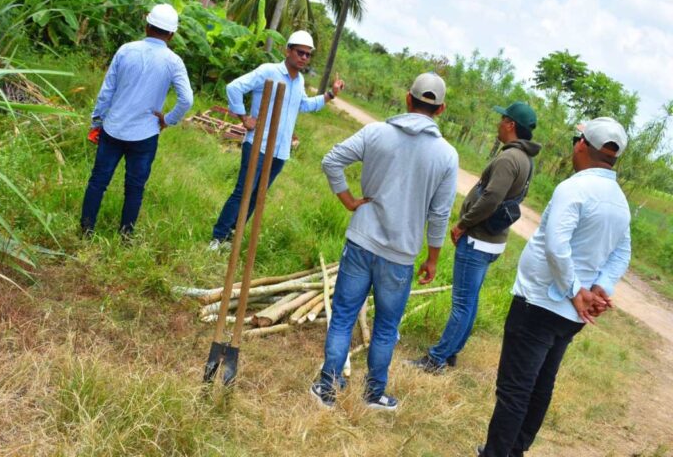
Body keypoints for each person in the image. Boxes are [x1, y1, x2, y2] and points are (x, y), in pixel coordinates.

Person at [478, 117, 631, 457]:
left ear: (582, 145)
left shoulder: (574, 189)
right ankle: (513, 450)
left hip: (540, 304)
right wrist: (599, 287)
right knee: (540, 385)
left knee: (515, 389)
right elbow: (622, 252)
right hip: (569, 315)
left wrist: (576, 291)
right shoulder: (619, 201)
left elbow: (557, 245)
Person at [310, 72, 459, 411]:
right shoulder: (446, 156)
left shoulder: (376, 132)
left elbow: (331, 160)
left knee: (343, 316)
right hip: (400, 254)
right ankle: (374, 393)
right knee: (386, 327)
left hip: (361, 241)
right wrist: (433, 258)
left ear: (408, 98)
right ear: (441, 109)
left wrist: (348, 200)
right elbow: (439, 215)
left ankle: (327, 388)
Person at [408, 101, 540, 373]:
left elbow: (492, 197)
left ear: (511, 125)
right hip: (493, 240)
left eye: (502, 119)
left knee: (461, 303)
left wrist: (463, 224)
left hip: (478, 239)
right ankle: (451, 352)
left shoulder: (508, 159)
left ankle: (437, 359)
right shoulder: (525, 159)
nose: (498, 124)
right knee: (469, 301)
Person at [208, 30, 345, 251]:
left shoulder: (299, 81)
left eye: (308, 54)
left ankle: (232, 235)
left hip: (280, 151)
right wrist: (244, 117)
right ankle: (218, 237)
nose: (304, 58)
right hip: (259, 145)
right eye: (300, 52)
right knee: (243, 191)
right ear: (288, 50)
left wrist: (331, 94)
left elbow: (304, 105)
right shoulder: (269, 71)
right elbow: (234, 87)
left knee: (257, 195)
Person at [80, 4, 193, 236]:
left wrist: (97, 123)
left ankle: (86, 229)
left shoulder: (126, 50)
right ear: (171, 35)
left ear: (147, 25)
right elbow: (187, 100)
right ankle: (125, 234)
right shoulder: (174, 62)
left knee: (98, 181)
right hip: (145, 135)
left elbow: (106, 92)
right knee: (135, 188)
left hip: (113, 128)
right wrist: (168, 120)